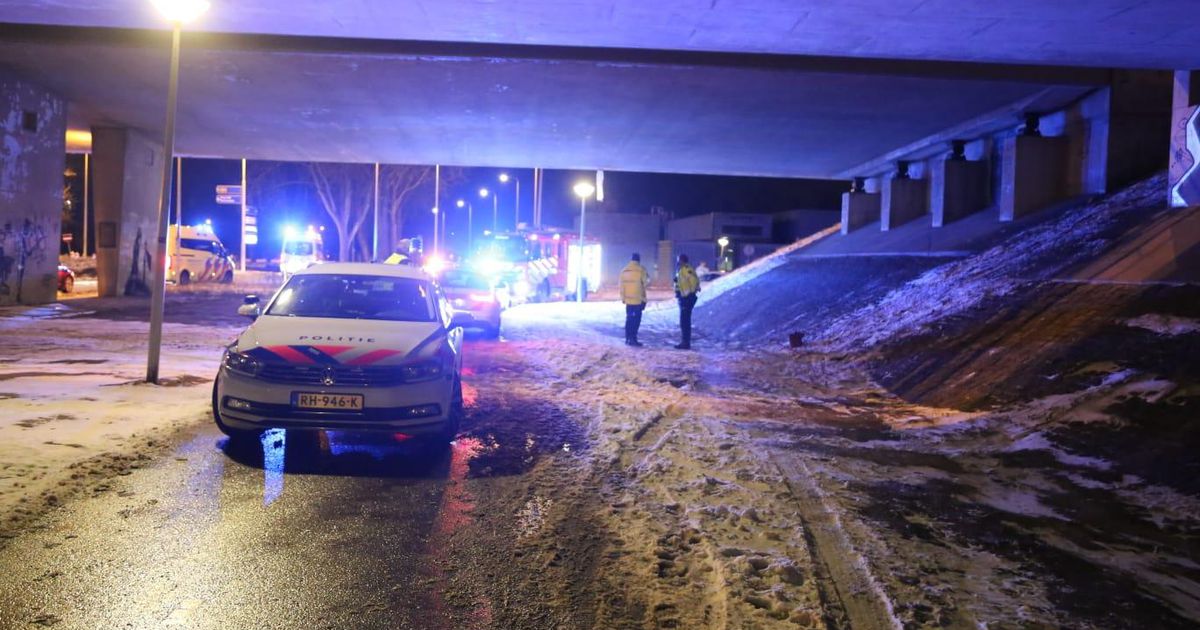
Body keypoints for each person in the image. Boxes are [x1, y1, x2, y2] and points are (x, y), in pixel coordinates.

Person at [619, 252, 649, 347]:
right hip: (638, 299)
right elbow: (647, 283)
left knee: (629, 319)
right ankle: (633, 338)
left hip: (628, 300)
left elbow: (621, 286)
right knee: (636, 320)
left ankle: (628, 338)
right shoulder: (641, 270)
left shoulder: (624, 271)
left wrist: (623, 298)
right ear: (638, 260)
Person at [674, 254, 700, 350]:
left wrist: (688, 294)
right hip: (684, 298)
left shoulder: (686, 270)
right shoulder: (682, 270)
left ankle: (685, 343)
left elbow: (693, 282)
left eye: (678, 260)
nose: (677, 262)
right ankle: (684, 342)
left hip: (686, 299)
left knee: (685, 322)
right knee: (684, 321)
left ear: (682, 260)